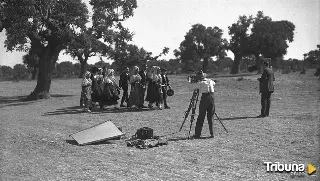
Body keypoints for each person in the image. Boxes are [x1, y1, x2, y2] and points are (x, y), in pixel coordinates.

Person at [189, 70, 216, 138]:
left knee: (201, 116)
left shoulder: (200, 83)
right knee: (211, 116)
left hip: (205, 98)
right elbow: (214, 83)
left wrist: (191, 81)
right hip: (212, 97)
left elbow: (191, 88)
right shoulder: (210, 80)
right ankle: (212, 133)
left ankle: (197, 134)